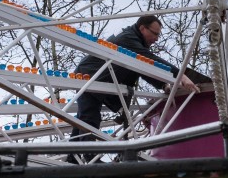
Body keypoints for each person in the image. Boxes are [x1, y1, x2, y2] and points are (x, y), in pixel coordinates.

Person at [70, 15, 199, 141]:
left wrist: (162, 85)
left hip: (95, 77)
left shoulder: (134, 41)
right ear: (143, 28)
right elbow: (150, 60)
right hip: (88, 76)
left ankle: (73, 158)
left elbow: (141, 69)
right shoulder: (128, 39)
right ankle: (90, 157)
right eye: (155, 34)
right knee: (89, 118)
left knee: (84, 117)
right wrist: (180, 75)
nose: (156, 39)